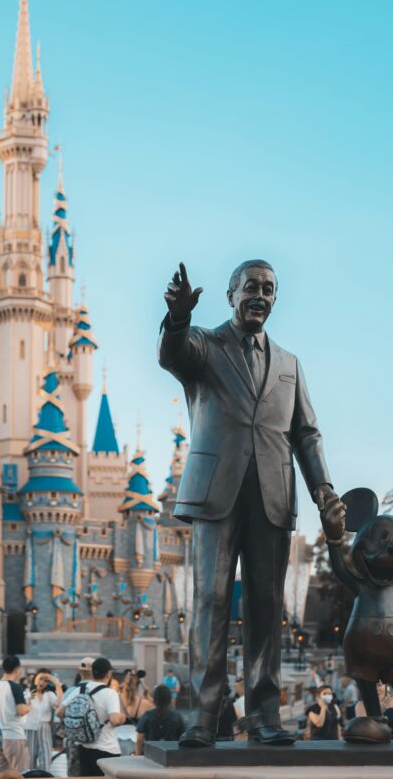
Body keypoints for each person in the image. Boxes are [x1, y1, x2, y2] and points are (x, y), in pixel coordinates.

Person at [159, 259, 346, 747]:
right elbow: (172, 354)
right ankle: (204, 718)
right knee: (209, 602)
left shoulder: (289, 364)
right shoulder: (204, 344)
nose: (260, 295)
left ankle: (264, 716)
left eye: (268, 289)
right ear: (230, 295)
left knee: (267, 605)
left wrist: (324, 492)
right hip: (215, 493)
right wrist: (178, 319)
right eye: (250, 287)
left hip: (272, 495)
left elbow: (306, 434)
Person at [58, 657, 125, 778]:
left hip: (83, 748)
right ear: (109, 674)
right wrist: (122, 718)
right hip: (107, 749)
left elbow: (59, 712)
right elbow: (115, 720)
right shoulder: (110, 693)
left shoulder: (80, 689)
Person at [0, 655, 30, 773]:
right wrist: (29, 707)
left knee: (0, 773)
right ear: (17, 669)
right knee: (19, 773)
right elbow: (21, 710)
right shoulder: (15, 687)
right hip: (14, 736)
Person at [23, 669, 63, 773]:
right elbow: (21, 711)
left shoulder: (49, 694)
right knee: (30, 759)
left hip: (45, 728)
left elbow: (59, 704)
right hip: (29, 728)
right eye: (40, 679)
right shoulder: (26, 693)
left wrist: (56, 683)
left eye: (46, 681)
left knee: (46, 757)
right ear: (34, 678)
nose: (42, 683)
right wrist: (28, 700)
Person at [135, 684, 185, 755]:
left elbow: (139, 739)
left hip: (151, 756)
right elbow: (183, 738)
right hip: (172, 756)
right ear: (170, 699)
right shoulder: (177, 717)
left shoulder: (147, 715)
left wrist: (138, 756)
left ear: (154, 699)